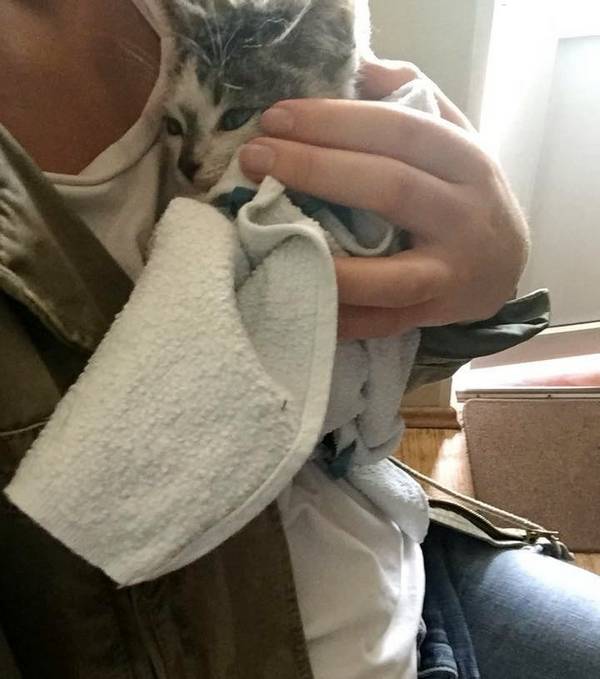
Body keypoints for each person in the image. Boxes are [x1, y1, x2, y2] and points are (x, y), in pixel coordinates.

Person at [1, 1, 599, 678]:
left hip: (408, 573)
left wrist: (473, 273)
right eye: (176, 127)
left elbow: (351, 382)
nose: (191, 162)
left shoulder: (248, 15)